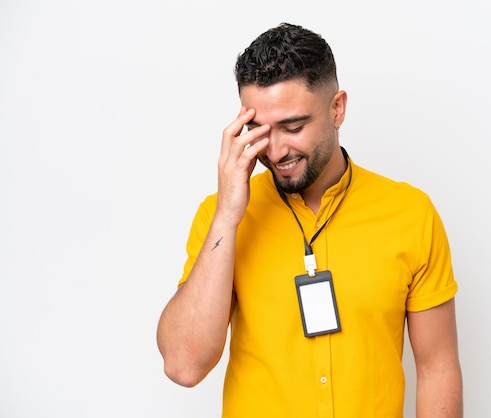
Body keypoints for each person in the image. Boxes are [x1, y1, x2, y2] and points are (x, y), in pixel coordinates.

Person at [157, 23, 463, 417]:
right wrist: (227, 217)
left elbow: (437, 369)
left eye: (294, 126)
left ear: (337, 108)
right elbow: (183, 365)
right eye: (260, 130)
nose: (277, 149)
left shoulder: (410, 213)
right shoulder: (221, 218)